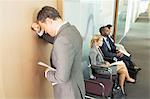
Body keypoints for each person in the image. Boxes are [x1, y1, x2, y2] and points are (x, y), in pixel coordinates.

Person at [31, 6, 85, 99]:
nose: (46, 31)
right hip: (77, 86)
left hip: (68, 92)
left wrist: (47, 73)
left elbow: (61, 78)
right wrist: (40, 31)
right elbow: (58, 41)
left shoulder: (62, 40)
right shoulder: (72, 30)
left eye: (44, 28)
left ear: (49, 21)